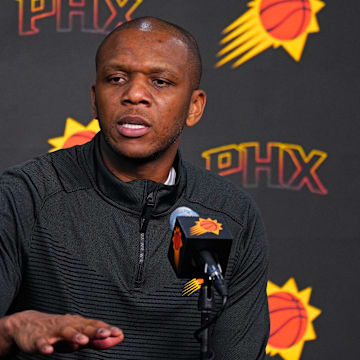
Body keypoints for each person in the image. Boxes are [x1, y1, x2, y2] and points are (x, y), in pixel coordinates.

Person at [0, 17, 269, 359]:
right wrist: (9, 331)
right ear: (95, 99)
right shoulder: (23, 195)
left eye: (160, 81)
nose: (135, 95)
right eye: (117, 79)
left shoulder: (232, 214)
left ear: (194, 106)